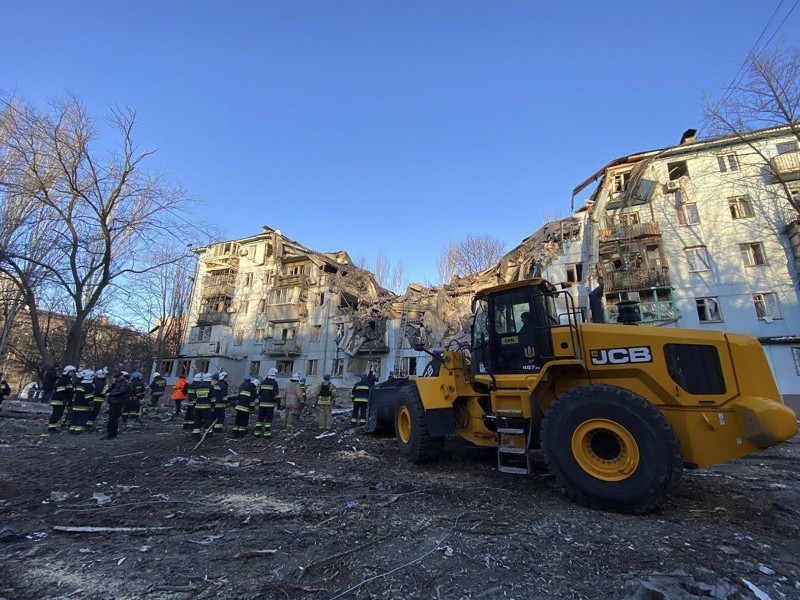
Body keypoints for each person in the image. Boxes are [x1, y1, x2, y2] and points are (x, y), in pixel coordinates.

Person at [47, 365, 76, 434]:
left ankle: (52, 427)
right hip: (59, 400)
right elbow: (61, 390)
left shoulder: (67, 380)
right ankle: (51, 428)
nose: (72, 373)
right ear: (67, 372)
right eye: (71, 372)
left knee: (59, 414)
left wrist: (69, 400)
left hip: (62, 401)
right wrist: (64, 398)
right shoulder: (63, 380)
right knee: (56, 414)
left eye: (73, 372)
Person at [104, 371, 131, 440]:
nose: (117, 378)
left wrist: (111, 394)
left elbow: (121, 392)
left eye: (118, 377)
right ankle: (111, 433)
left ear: (122, 376)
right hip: (114, 402)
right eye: (116, 377)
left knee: (113, 418)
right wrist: (113, 384)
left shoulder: (125, 384)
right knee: (112, 418)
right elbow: (109, 390)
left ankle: (112, 434)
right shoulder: (118, 383)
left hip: (118, 402)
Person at [255, 368, 280, 438]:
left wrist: (260, 403)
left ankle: (257, 433)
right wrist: (279, 403)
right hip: (270, 405)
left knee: (260, 419)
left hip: (262, 405)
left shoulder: (263, 382)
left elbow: (259, 394)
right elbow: (276, 395)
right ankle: (267, 434)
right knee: (268, 420)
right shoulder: (274, 383)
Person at [69, 370, 94, 434]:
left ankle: (72, 430)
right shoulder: (88, 385)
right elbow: (89, 397)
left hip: (76, 403)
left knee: (74, 417)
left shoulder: (79, 383)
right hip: (83, 405)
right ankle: (78, 430)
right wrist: (91, 404)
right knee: (82, 418)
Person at [191, 373, 214, 441]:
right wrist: (213, 407)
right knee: (208, 421)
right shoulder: (210, 387)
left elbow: (194, 399)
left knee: (197, 422)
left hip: (197, 407)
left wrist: (194, 407)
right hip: (206, 408)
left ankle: (195, 435)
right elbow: (213, 399)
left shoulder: (198, 387)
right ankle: (208, 435)